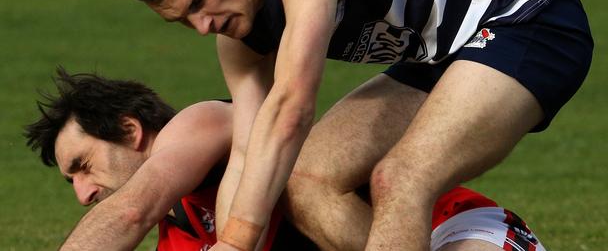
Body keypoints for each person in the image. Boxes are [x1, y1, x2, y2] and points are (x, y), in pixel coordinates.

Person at [115, 0, 593, 250]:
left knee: (401, 178)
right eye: (183, 20)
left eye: (200, 0)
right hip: (442, 52)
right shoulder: (238, 33)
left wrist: (238, 243)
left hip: (528, 18)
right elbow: (249, 147)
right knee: (307, 182)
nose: (203, 26)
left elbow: (292, 107)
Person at [26, 69, 547, 251]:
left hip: (454, 231)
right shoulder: (180, 235)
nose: (83, 193)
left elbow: (128, 212)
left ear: (129, 130)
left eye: (82, 165)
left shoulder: (205, 124)